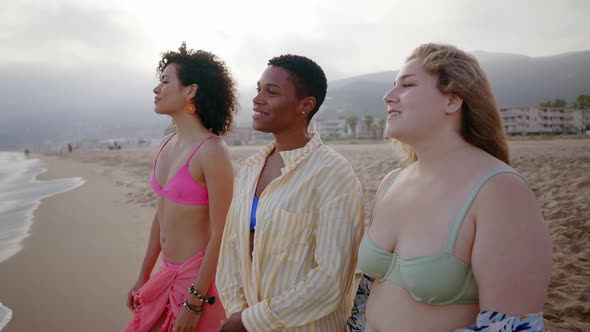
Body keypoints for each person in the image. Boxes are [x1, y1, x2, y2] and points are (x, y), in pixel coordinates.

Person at [357, 43, 553, 332]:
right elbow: (367, 295)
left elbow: (511, 327)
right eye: (392, 87)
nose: (388, 97)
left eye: (407, 85)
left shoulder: (499, 190)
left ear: (452, 101)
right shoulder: (392, 182)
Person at [216, 54, 365, 331]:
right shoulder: (251, 168)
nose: (257, 98)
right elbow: (231, 251)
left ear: (305, 105)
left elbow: (331, 279)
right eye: (258, 89)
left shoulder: (332, 172)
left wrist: (251, 321)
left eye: (271, 92)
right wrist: (238, 313)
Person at [125, 42, 237, 332]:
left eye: (164, 81)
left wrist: (196, 300)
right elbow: (160, 219)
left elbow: (220, 234)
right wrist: (144, 275)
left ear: (190, 91)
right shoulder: (166, 144)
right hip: (165, 275)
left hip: (198, 282)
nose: (156, 89)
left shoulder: (212, 151)